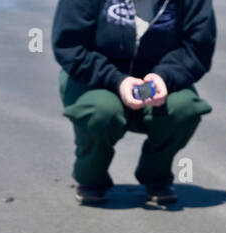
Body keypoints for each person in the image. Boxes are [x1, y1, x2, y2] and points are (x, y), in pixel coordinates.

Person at [52, 0, 217, 206]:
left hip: (159, 78)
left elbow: (198, 47)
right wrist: (117, 80)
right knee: (101, 111)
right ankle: (91, 178)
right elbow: (70, 46)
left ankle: (156, 176)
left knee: (185, 108)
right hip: (94, 77)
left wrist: (164, 77)